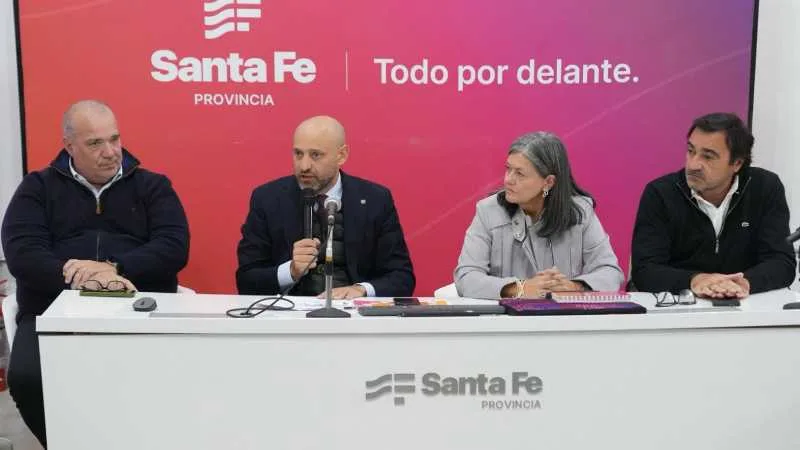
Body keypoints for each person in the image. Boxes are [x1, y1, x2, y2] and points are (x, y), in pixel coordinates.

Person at [1, 100, 190, 447]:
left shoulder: (153, 187)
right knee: (28, 378)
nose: (110, 152)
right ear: (69, 146)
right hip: (52, 311)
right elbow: (23, 253)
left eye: (114, 139)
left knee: (176, 378)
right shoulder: (37, 188)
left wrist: (115, 268)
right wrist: (79, 277)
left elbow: (173, 247)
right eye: (95, 143)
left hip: (141, 310)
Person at [236, 115, 415, 299]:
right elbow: (246, 280)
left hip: (353, 313)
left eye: (316, 155)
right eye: (298, 154)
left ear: (341, 155)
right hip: (290, 312)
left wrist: (361, 290)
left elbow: (402, 277)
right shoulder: (267, 199)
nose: (304, 166)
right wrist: (290, 271)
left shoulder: (375, 199)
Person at [631, 112, 796, 298]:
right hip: (680, 304)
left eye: (708, 157)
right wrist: (695, 280)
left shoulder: (765, 188)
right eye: (691, 151)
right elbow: (645, 270)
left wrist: (743, 283)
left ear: (737, 163)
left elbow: (781, 262)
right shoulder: (661, 193)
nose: (693, 165)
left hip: (746, 304)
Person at [455, 131, 623, 299]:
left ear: (548, 182)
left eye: (519, 173)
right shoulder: (488, 211)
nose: (508, 180)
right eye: (508, 169)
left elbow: (610, 272)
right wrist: (520, 288)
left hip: (565, 315)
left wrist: (572, 287)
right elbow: (466, 277)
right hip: (507, 315)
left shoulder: (580, 213)